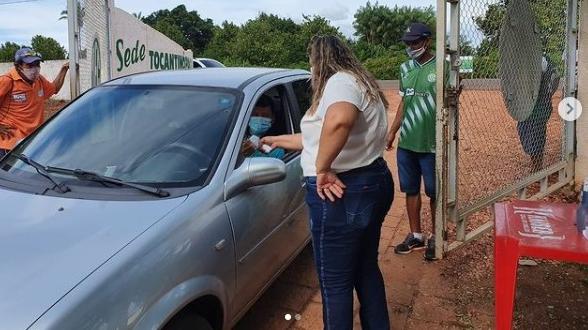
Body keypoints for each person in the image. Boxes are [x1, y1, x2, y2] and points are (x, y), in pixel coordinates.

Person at [262, 35, 393, 329]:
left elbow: (338, 122)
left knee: (335, 282)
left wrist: (322, 169)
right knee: (364, 268)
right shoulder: (360, 81)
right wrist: (273, 140)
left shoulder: (340, 82)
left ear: (319, 60)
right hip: (370, 182)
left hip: (343, 192)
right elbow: (317, 138)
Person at [386, 22, 438, 261]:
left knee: (435, 191)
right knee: (410, 189)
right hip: (407, 142)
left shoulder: (442, 66)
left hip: (432, 144)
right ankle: (416, 235)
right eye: (407, 43)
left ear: (426, 41)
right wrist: (392, 131)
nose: (410, 47)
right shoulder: (405, 68)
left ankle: (437, 237)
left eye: (415, 43)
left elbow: (452, 100)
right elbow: (404, 103)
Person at [0, 47, 69, 157]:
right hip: (9, 146)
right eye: (30, 65)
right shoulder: (7, 80)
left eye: (37, 64)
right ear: (18, 66)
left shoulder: (39, 80)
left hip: (32, 142)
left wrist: (64, 70)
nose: (35, 69)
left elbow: (54, 88)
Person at [516, 55, 559, 170]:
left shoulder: (540, 61)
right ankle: (536, 162)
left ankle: (537, 166)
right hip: (531, 105)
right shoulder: (537, 61)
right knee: (527, 130)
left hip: (538, 106)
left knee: (535, 134)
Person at [240, 94, 285, 159]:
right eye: (255, 115)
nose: (259, 119)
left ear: (273, 118)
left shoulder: (276, 148)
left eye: (265, 115)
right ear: (248, 117)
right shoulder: (236, 136)